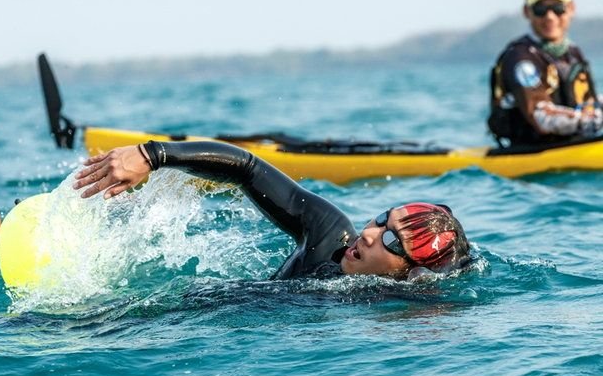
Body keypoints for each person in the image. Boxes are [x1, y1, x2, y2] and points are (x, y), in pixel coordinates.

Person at [73, 141, 471, 280]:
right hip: (200, 311)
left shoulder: (395, 304)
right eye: (383, 219)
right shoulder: (329, 235)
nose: (370, 233)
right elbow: (248, 168)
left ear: (412, 274)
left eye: (392, 241)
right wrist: (153, 154)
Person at [488, 0, 602, 146]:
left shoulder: (573, 53)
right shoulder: (520, 58)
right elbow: (542, 117)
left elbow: (589, 103)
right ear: (527, 12)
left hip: (576, 143)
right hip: (533, 150)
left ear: (571, 8)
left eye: (558, 8)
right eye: (540, 9)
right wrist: (589, 121)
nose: (550, 16)